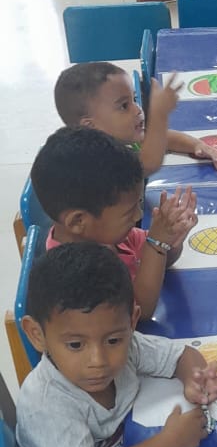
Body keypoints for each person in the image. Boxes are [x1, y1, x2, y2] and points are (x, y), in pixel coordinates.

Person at [16, 243, 217, 447]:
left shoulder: (124, 343)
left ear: (132, 320)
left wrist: (195, 380)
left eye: (113, 340)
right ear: (37, 334)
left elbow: (181, 355)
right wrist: (170, 441)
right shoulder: (44, 404)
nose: (98, 360)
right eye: (76, 345)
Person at [31, 127, 197, 319]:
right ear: (78, 221)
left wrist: (170, 238)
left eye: (138, 204)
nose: (138, 216)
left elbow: (162, 260)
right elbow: (139, 312)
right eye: (129, 212)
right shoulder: (75, 275)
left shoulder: (107, 234)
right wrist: (157, 246)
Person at [53, 62, 217, 174]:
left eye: (134, 99)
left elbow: (162, 138)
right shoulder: (96, 160)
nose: (137, 110)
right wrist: (159, 114)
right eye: (124, 106)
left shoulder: (121, 137)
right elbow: (147, 164)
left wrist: (197, 145)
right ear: (90, 126)